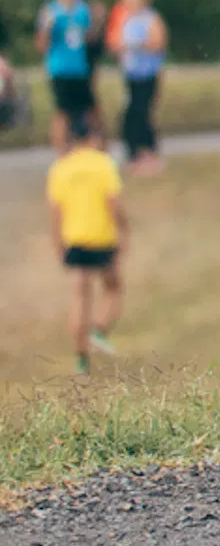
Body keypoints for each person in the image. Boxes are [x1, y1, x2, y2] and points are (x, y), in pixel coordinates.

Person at [45, 114, 124, 371]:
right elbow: (113, 203)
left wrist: (57, 242)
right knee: (113, 287)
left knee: (80, 296)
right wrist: (124, 230)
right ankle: (99, 330)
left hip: (74, 239)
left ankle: (81, 360)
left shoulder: (60, 168)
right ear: (94, 138)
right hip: (101, 237)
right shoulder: (103, 164)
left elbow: (56, 211)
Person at [108, 0, 166, 167]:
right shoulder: (124, 18)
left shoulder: (151, 18)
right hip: (131, 74)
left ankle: (147, 149)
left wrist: (137, 45)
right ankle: (132, 150)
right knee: (130, 112)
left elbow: (158, 43)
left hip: (147, 74)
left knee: (142, 111)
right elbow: (114, 43)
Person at [37, 0, 97, 147]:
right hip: (60, 69)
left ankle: (89, 148)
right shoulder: (51, 11)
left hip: (79, 69)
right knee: (62, 112)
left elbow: (90, 39)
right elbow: (41, 45)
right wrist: (47, 28)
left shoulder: (82, 10)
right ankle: (61, 152)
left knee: (88, 111)